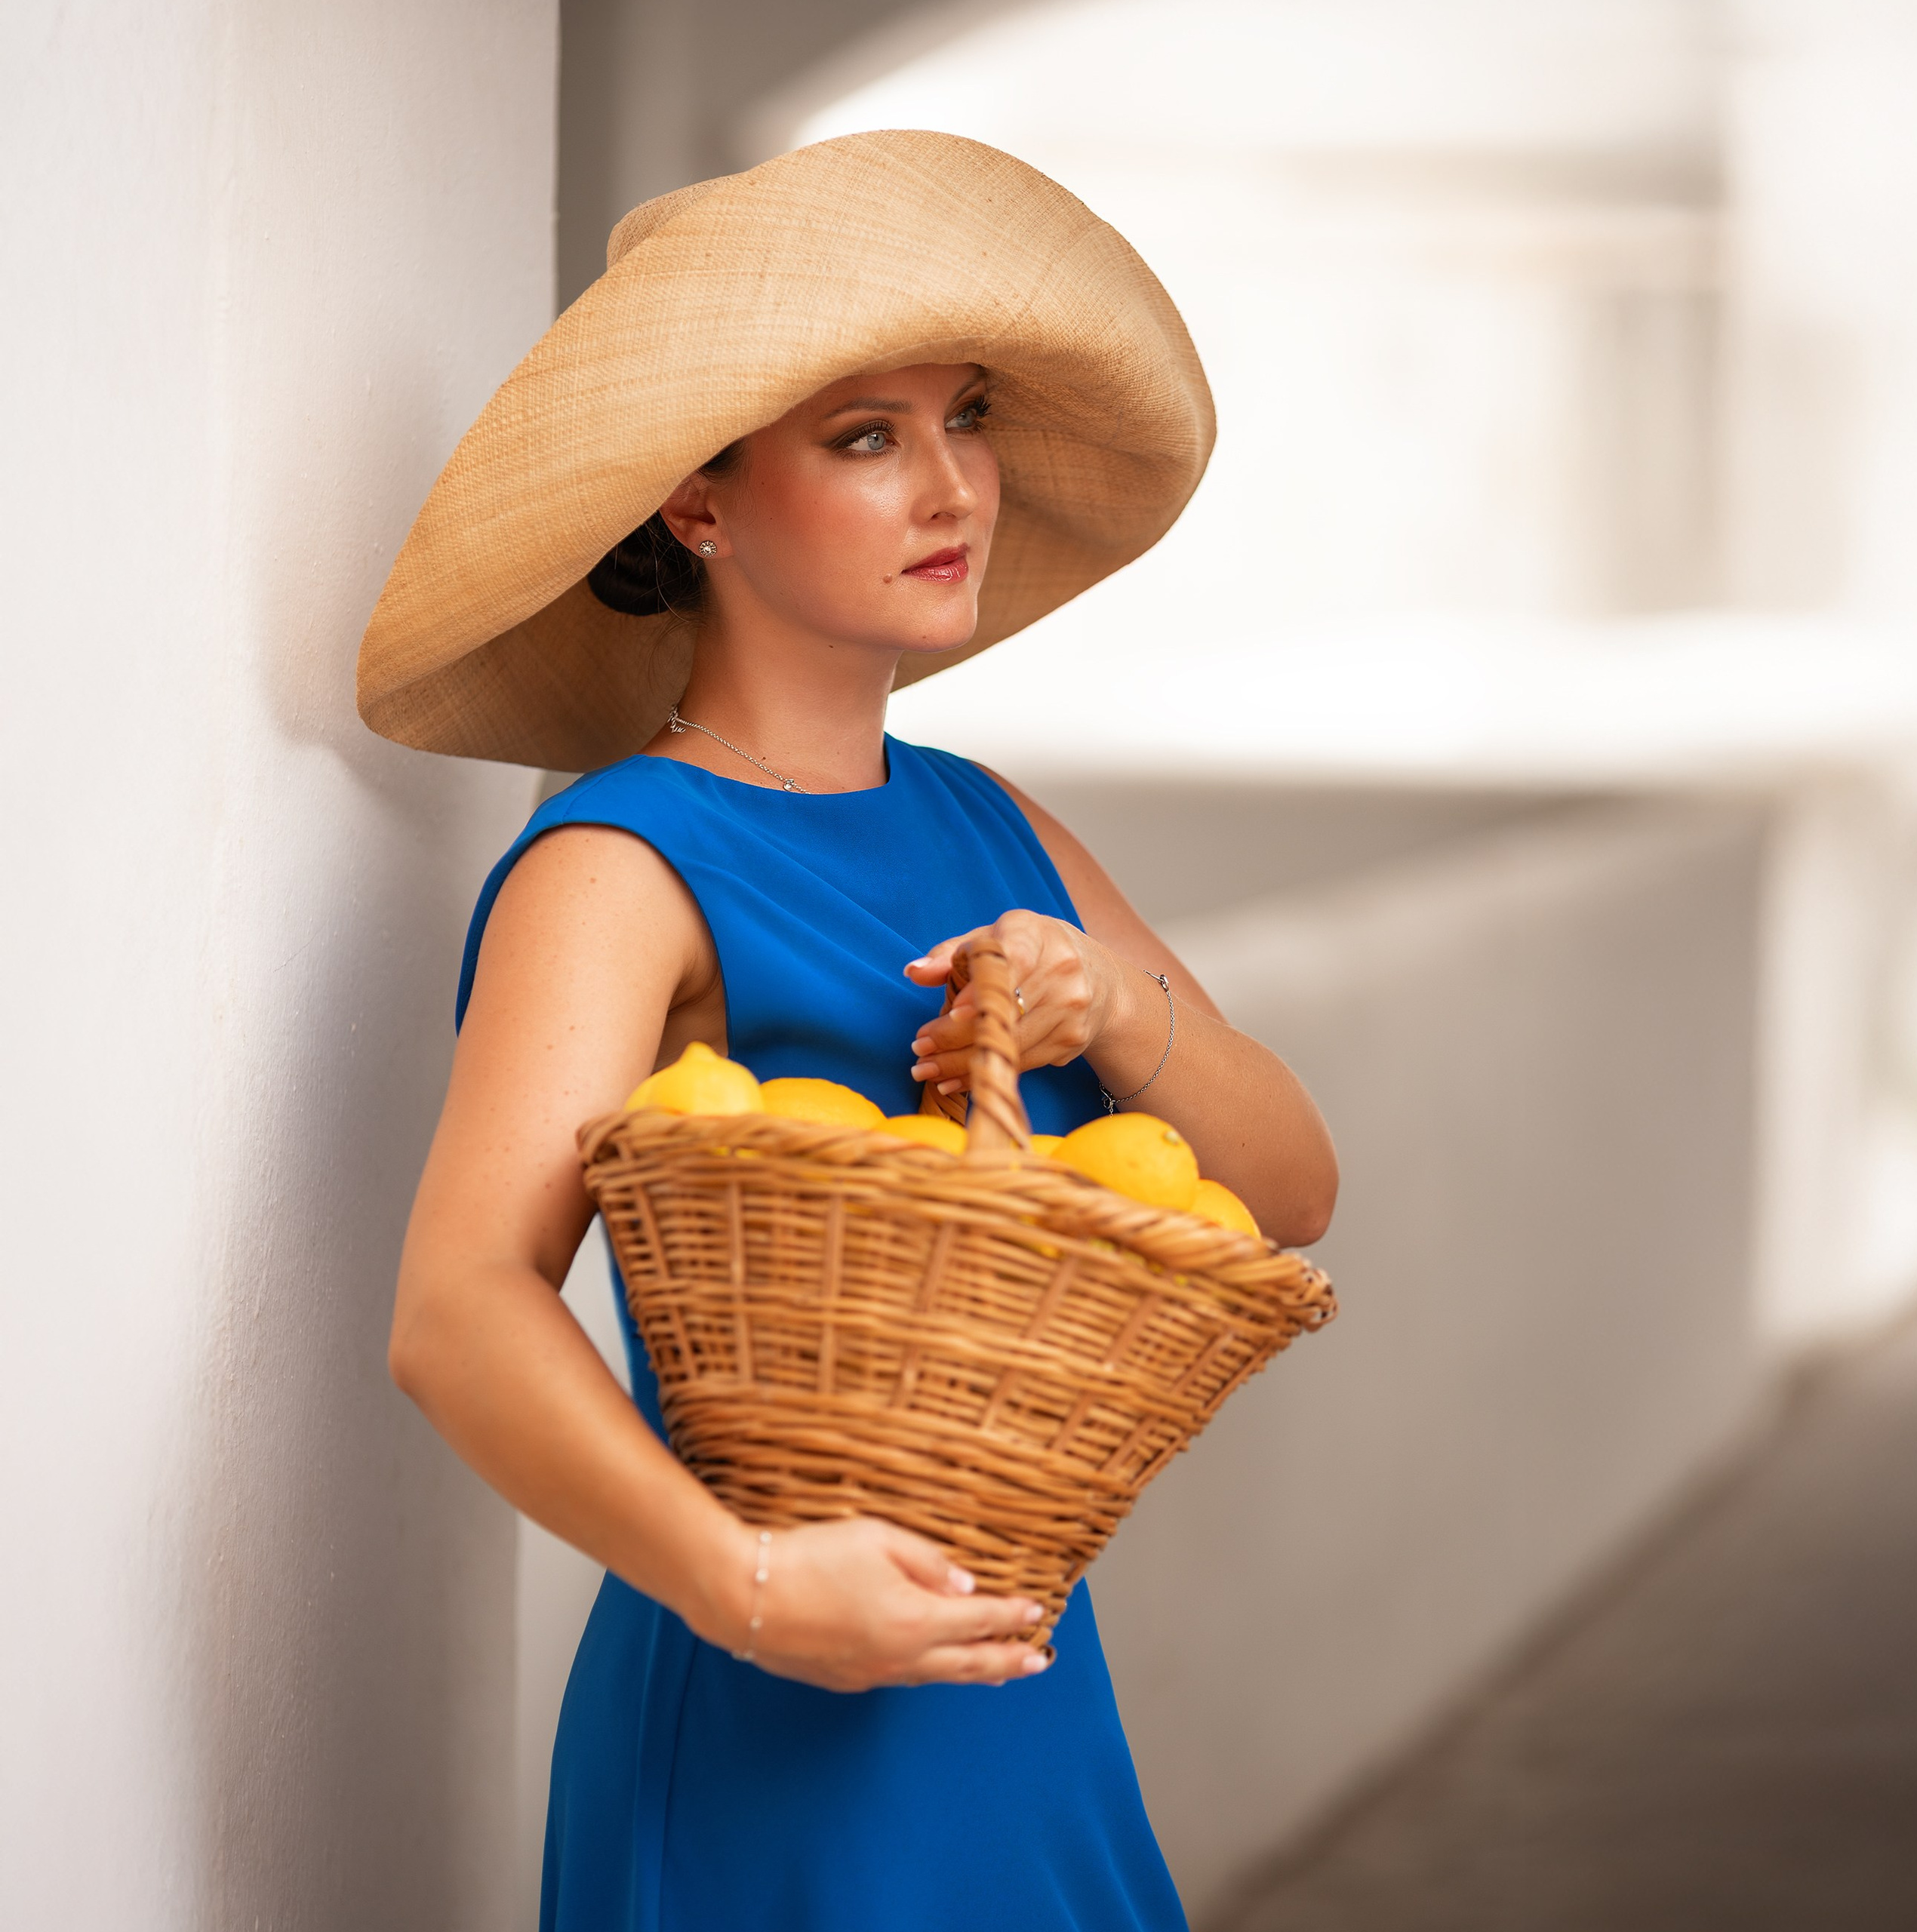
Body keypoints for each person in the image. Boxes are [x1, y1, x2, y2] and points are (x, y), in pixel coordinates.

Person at [359, 130, 1337, 1931]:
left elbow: (1283, 1187)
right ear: (698, 503)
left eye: (960, 417)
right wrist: (741, 1585)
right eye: (865, 436)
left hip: (1021, 1691)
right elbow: (455, 1309)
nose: (953, 483)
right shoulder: (619, 864)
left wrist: (1105, 1001)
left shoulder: (996, 823)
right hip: (767, 1704)